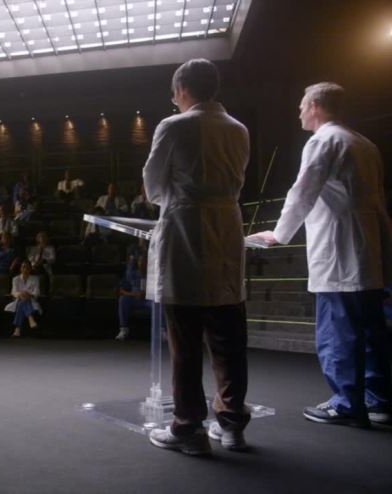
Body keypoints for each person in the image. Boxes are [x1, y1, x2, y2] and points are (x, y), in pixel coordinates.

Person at [248, 82, 392, 428]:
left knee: (338, 330)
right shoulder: (364, 143)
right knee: (371, 330)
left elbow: (302, 192)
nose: (298, 111)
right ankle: (379, 400)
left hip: (339, 251)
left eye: (302, 104)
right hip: (368, 250)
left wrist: (279, 233)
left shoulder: (323, 141)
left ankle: (346, 404)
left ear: (314, 105)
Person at [144, 59, 251, 455]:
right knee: (228, 337)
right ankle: (232, 424)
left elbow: (153, 185)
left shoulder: (173, 125)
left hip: (185, 228)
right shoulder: (238, 128)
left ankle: (188, 428)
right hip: (226, 229)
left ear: (182, 89)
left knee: (185, 340)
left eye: (174, 94)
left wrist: (178, 195)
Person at [116, 255, 149, 340]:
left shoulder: (154, 273)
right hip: (135, 298)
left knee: (160, 303)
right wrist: (134, 294)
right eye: (140, 261)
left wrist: (147, 294)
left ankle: (162, 330)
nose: (142, 263)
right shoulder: (131, 274)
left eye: (144, 261)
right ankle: (124, 329)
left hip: (150, 299)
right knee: (123, 300)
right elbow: (121, 290)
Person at [5, 260, 41, 337]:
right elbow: (13, 291)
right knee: (22, 301)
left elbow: (37, 291)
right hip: (18, 299)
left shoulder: (35, 279)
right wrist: (20, 294)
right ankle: (30, 318)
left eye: (27, 267)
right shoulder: (16, 279)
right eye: (23, 267)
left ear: (30, 269)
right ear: (21, 269)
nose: (25, 269)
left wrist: (28, 295)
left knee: (22, 303)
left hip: (31, 300)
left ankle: (17, 329)